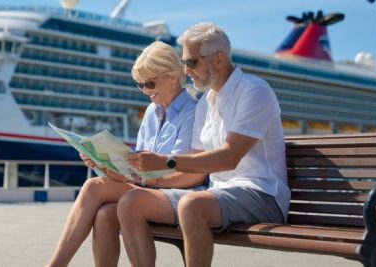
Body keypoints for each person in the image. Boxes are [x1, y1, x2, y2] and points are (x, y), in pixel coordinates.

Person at [122, 22, 289, 267]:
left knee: (192, 205)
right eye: (184, 63)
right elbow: (200, 166)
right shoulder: (205, 103)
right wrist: (143, 179)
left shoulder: (254, 91)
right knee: (131, 202)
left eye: (191, 62)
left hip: (262, 194)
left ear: (219, 59)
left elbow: (229, 157)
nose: (186, 70)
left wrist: (165, 161)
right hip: (218, 193)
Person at [46, 41, 207, 267]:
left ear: (172, 77)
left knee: (93, 187)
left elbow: (192, 175)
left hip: (180, 192)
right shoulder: (152, 111)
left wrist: (139, 178)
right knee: (103, 216)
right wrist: (102, 163)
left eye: (150, 83)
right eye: (140, 85)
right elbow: (136, 166)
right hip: (148, 189)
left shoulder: (193, 111)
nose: (146, 91)